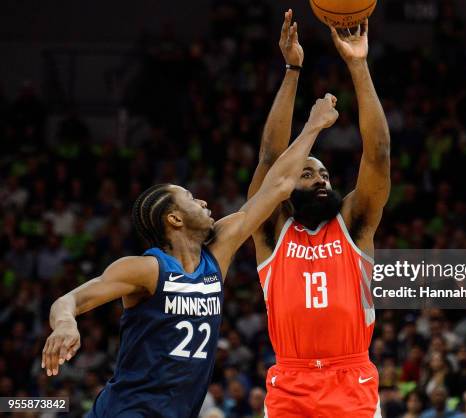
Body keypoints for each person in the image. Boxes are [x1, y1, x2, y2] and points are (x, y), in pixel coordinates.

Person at [40, 94, 341, 418]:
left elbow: (279, 186)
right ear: (175, 218)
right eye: (190, 199)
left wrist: (311, 122)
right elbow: (69, 300)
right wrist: (65, 325)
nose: (202, 201)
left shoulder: (218, 254)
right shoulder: (147, 269)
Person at [247, 10, 390, 417]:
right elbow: (270, 159)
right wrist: (293, 69)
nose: (321, 179)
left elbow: (378, 155)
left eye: (324, 172)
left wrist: (358, 66)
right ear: (287, 188)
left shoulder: (354, 225)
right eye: (307, 174)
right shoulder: (273, 232)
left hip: (352, 379)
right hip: (291, 383)